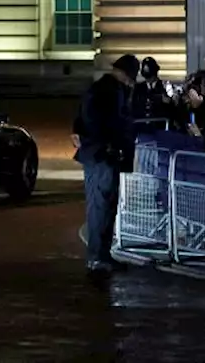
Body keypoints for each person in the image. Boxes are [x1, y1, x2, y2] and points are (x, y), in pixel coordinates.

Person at [74, 54, 139, 276]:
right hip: (103, 155)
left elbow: (83, 119)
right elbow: (115, 123)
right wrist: (114, 146)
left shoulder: (100, 88)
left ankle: (99, 255)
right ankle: (98, 256)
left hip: (97, 154)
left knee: (100, 206)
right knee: (102, 207)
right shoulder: (111, 92)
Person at [132, 56, 177, 129]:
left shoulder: (166, 87)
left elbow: (172, 107)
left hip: (161, 127)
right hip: (141, 127)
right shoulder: (138, 88)